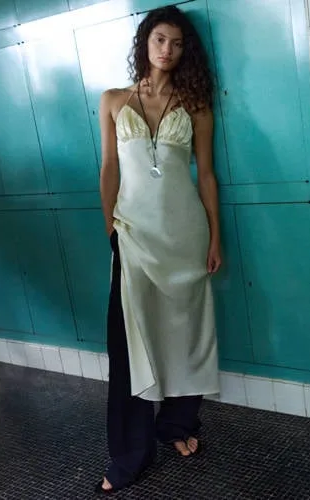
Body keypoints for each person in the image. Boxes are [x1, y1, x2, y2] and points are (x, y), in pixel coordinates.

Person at [97, 5, 222, 494]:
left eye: (177, 43)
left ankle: (176, 424)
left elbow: (205, 175)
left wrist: (215, 236)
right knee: (127, 345)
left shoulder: (195, 106)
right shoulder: (113, 100)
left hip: (185, 236)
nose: (167, 50)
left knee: (186, 333)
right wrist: (110, 227)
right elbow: (109, 168)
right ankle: (130, 455)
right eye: (159, 40)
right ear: (144, 42)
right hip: (133, 236)